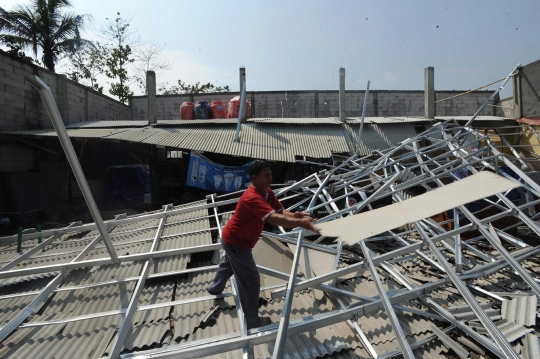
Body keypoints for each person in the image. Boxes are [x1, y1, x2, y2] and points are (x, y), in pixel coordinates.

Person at [207, 160, 320, 329]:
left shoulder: (266, 192)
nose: (270, 178)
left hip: (232, 239)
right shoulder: (252, 197)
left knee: (229, 263)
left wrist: (297, 217)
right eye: (266, 175)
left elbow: (281, 211)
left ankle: (215, 288)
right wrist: (301, 223)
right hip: (237, 243)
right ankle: (253, 321)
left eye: (270, 174)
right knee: (251, 280)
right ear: (254, 178)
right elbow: (274, 219)